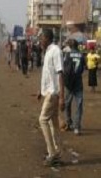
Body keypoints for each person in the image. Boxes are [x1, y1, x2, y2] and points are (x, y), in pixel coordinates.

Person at [37, 29, 64, 167]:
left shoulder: (56, 51)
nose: (40, 40)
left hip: (53, 93)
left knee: (42, 120)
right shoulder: (47, 51)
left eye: (41, 38)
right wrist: (40, 91)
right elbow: (47, 74)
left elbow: (60, 74)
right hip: (48, 92)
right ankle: (57, 151)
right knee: (54, 123)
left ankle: (52, 153)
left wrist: (62, 98)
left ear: (47, 38)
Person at [63, 39, 85, 135]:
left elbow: (64, 68)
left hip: (69, 84)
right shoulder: (81, 55)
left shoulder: (67, 55)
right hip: (78, 83)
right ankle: (77, 127)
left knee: (67, 104)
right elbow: (83, 68)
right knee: (79, 105)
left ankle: (69, 122)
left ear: (71, 46)